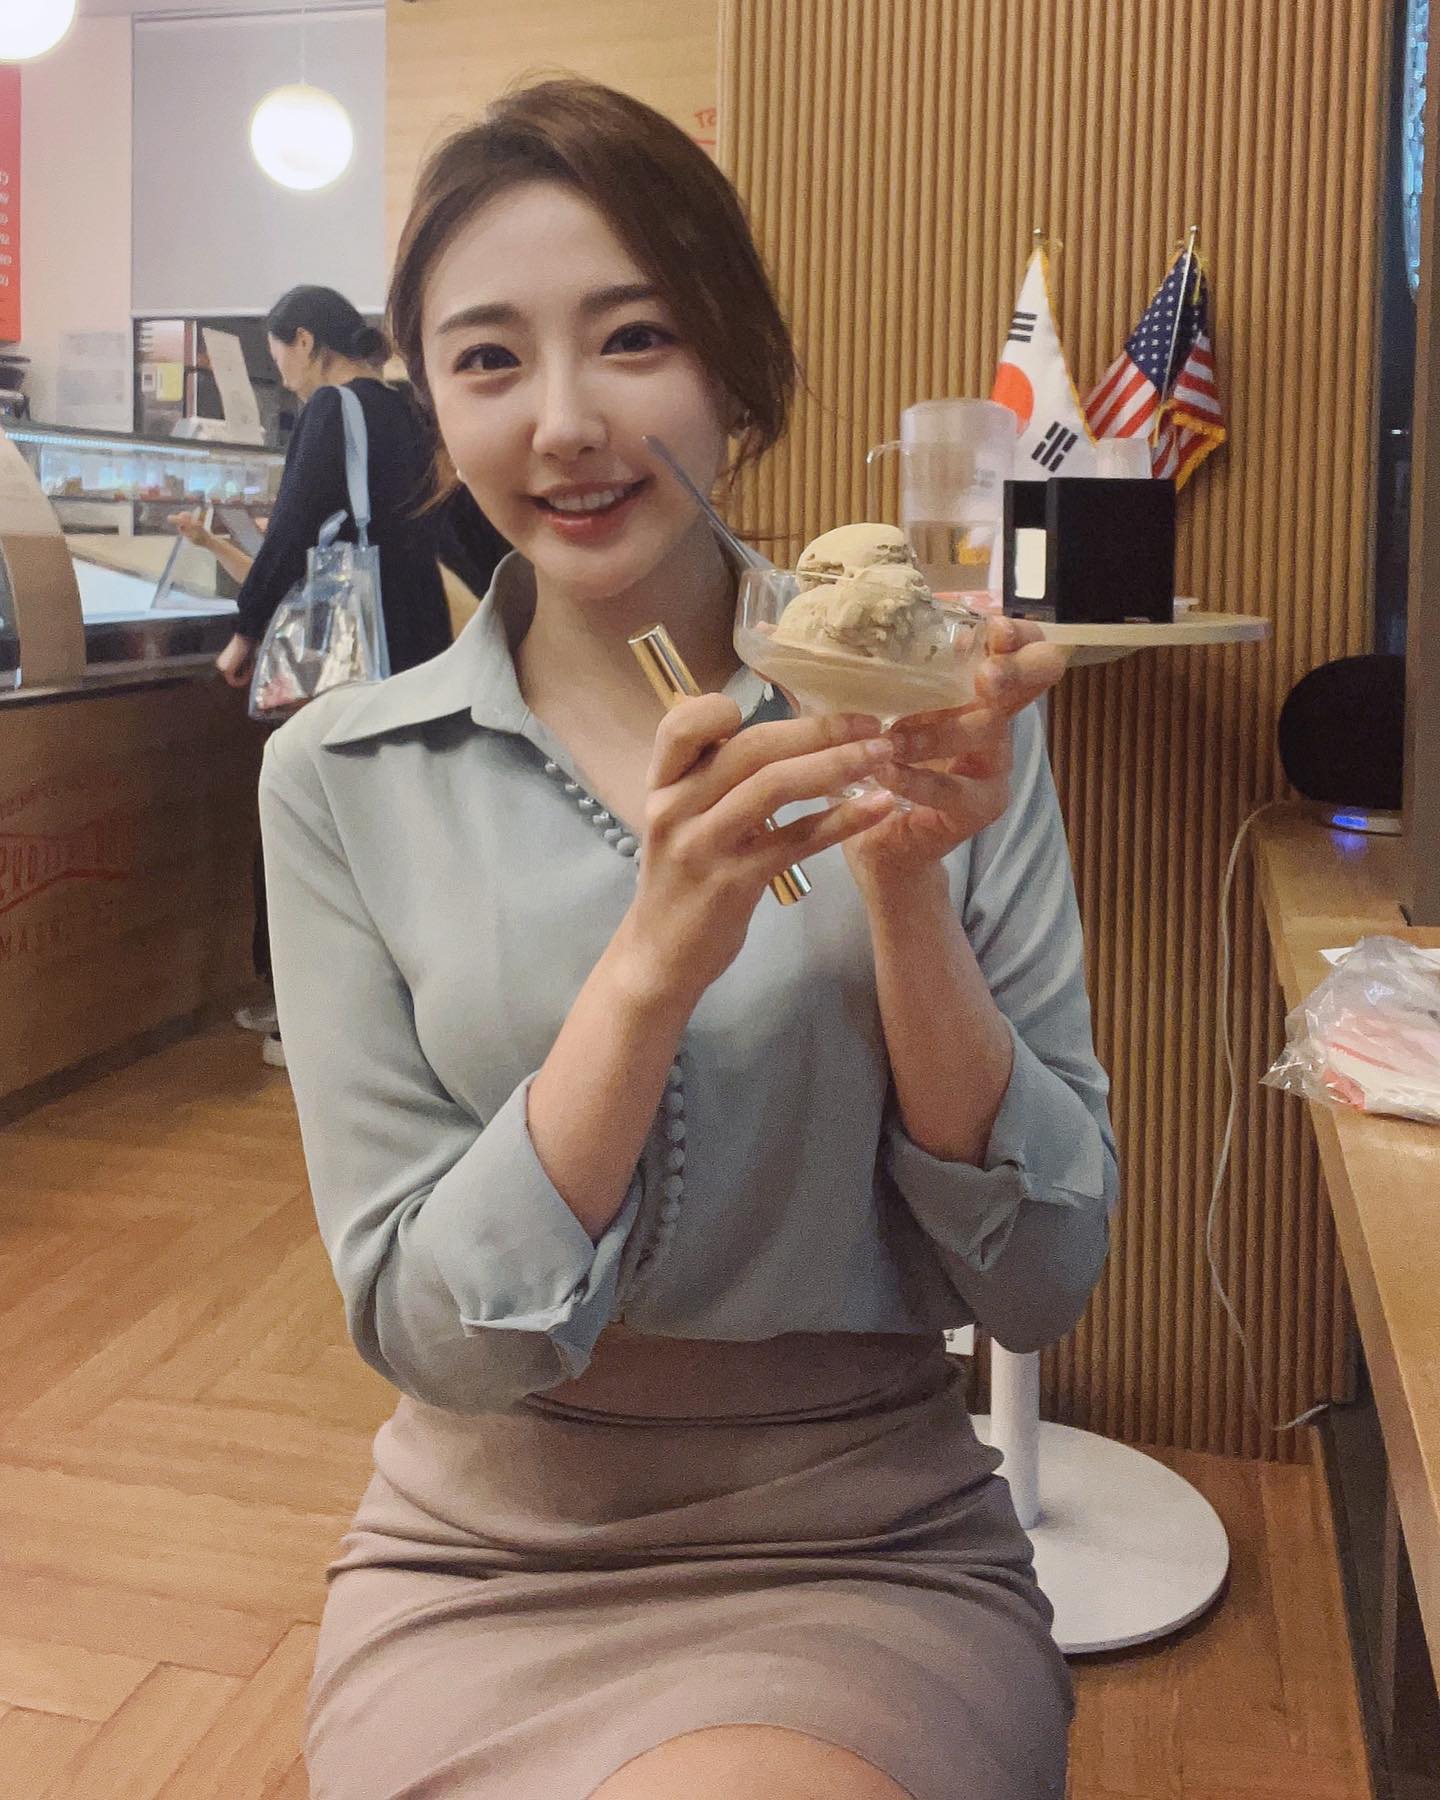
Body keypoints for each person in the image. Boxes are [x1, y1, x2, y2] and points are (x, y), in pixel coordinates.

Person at [260, 79, 1119, 1800]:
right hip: (483, 1553)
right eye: (490, 360)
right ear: (433, 402)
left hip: (864, 1536)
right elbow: (432, 1338)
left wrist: (904, 885)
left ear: (732, 365)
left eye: (633, 337)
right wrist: (650, 967)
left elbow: (1040, 1276)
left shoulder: (934, 722)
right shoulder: (338, 779)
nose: (567, 424)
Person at [176, 287, 507, 1063]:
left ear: (305, 340)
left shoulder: (333, 409)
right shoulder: (410, 411)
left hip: (350, 641)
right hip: (416, 633)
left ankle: (307, 1017)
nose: (285, 375)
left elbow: (295, 528)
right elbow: (463, 523)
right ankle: (411, 1004)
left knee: (317, 814)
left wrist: (245, 631)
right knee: (402, 817)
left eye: (281, 357)